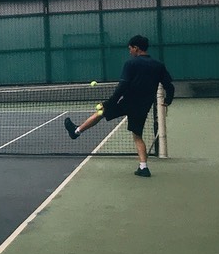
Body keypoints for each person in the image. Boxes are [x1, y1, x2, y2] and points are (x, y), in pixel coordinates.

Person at [64, 34, 175, 177]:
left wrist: (109, 103)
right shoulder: (158, 65)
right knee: (137, 136)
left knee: (101, 113)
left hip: (127, 102)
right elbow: (169, 86)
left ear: (136, 48)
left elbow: (122, 86)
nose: (130, 51)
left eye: (130, 48)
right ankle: (143, 167)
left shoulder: (131, 63)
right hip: (143, 106)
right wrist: (168, 100)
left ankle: (76, 132)